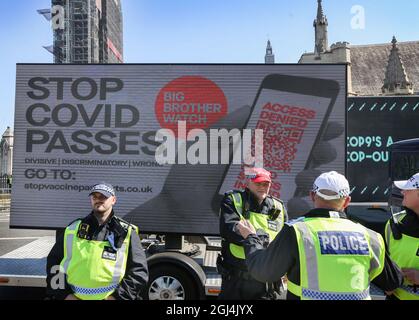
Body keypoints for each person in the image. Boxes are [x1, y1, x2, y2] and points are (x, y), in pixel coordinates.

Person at [237, 171, 403, 300]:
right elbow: (393, 281)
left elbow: (264, 272)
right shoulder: (370, 237)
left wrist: (251, 238)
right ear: (346, 201)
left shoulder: (296, 231)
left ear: (312, 196)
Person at [46, 182, 149, 300]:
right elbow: (54, 264)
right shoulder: (72, 229)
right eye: (94, 196)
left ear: (113, 200)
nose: (98, 200)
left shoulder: (126, 232)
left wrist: (116, 297)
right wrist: (65, 295)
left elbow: (139, 272)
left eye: (103, 197)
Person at [217, 167, 287, 300]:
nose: (262, 187)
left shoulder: (278, 207)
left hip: (265, 283)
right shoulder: (233, 199)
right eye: (258, 183)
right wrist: (264, 239)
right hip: (236, 281)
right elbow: (229, 229)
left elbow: (285, 240)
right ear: (248, 183)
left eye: (265, 184)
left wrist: (252, 234)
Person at [385, 173, 419, 300]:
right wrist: (386, 282)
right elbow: (384, 262)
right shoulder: (393, 224)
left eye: (408, 189)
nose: (403, 191)